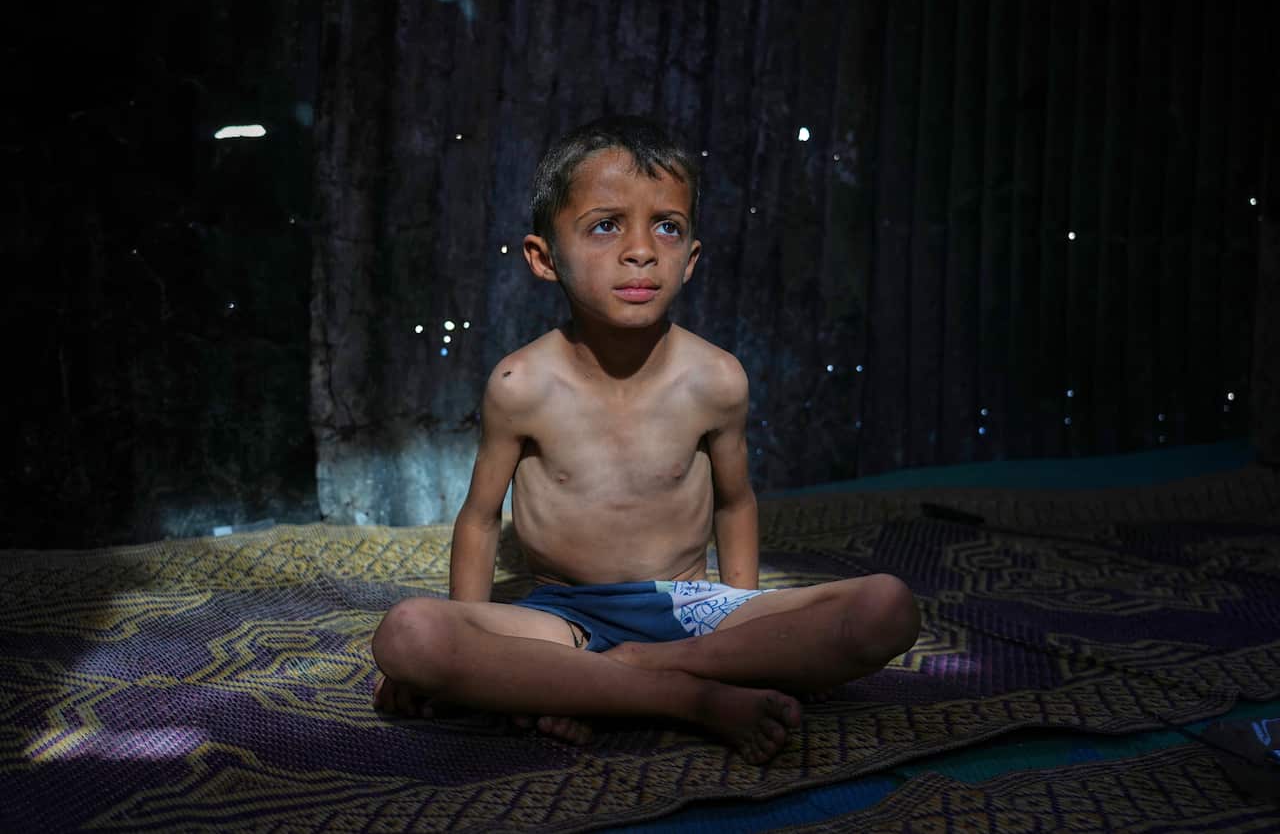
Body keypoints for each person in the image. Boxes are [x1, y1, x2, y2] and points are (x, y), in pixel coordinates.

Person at [371, 116, 920, 763]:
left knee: (888, 607)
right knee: (409, 635)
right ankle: (688, 696)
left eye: (667, 226)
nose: (641, 250)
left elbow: (734, 502)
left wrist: (739, 615)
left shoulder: (715, 378)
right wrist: (473, 632)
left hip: (689, 612)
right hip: (561, 619)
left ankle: (648, 672)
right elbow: (481, 517)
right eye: (606, 225)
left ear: (689, 258)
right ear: (544, 258)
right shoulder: (521, 384)